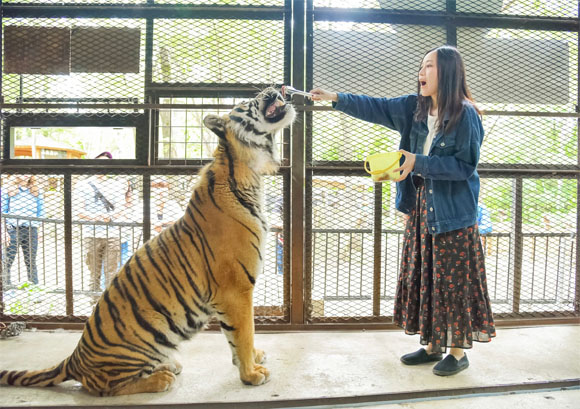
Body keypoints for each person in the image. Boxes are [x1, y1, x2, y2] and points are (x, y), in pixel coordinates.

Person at [310, 45, 495, 376]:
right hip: (422, 209)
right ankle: (432, 345)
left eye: (429, 67)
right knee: (426, 276)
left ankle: (457, 351)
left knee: (451, 284)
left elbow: (464, 167)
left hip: (454, 215)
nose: (421, 73)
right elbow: (377, 107)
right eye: (421, 67)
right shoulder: (414, 108)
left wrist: (416, 162)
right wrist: (335, 97)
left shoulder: (466, 114)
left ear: (449, 72)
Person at [73, 152, 125, 295]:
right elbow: (78, 209)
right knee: (93, 272)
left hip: (112, 234)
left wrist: (110, 216)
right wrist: (96, 217)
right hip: (91, 233)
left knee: (111, 272)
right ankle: (93, 304)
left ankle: (109, 305)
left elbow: (121, 207)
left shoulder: (116, 185)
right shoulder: (82, 185)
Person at [1, 175, 45, 285]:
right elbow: (2, 212)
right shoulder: (7, 189)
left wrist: (41, 231)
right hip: (13, 229)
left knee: (31, 261)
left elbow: (41, 213)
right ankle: (6, 288)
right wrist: (3, 232)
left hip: (32, 230)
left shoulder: (37, 191)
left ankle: (34, 288)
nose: (25, 175)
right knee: (7, 260)